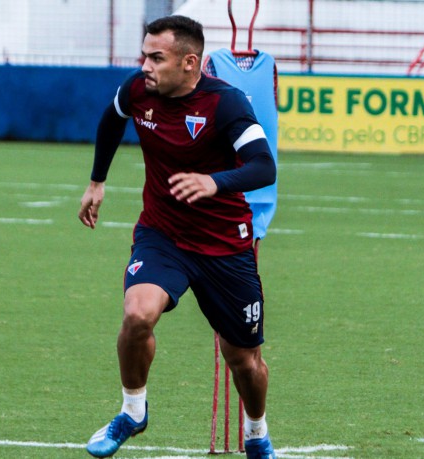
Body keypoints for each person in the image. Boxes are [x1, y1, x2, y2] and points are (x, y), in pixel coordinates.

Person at [78, 15, 277, 459]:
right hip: (163, 235)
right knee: (137, 315)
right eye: (143, 55)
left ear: (190, 63)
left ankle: (257, 433)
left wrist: (214, 182)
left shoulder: (226, 104)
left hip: (226, 245)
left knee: (244, 362)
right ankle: (132, 411)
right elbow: (112, 119)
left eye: (156, 57)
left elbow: (264, 166)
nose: (144, 65)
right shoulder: (137, 90)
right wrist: (97, 181)